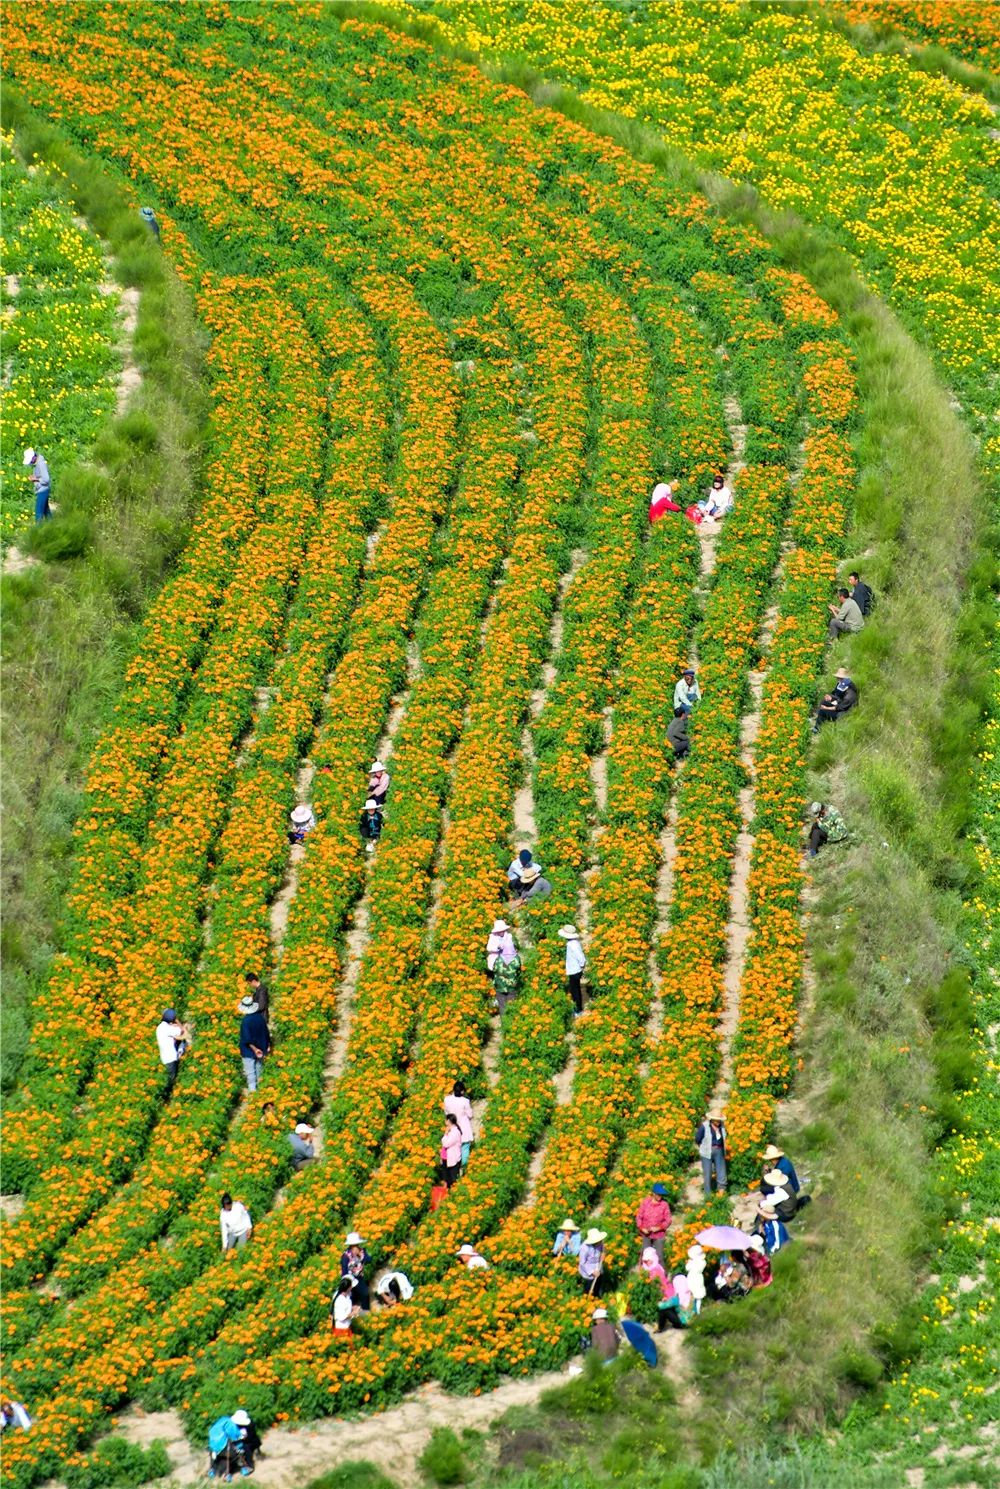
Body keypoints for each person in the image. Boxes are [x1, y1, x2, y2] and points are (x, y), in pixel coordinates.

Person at [486, 919, 521, 1013]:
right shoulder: (493, 937)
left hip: (507, 962)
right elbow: (489, 948)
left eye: (502, 930)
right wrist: (498, 947)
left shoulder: (509, 936)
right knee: (500, 980)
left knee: (504, 989)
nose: (501, 932)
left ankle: (505, 1013)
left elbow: (512, 947)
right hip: (498, 961)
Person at [635, 1182, 673, 1265]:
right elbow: (639, 1217)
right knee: (646, 1255)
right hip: (646, 1234)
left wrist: (659, 1228)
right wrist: (641, 1227)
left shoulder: (664, 1205)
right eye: (658, 1194)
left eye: (661, 1195)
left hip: (659, 1235)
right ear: (653, 1193)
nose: (660, 1196)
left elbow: (668, 1220)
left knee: (659, 1256)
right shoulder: (645, 1203)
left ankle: (660, 1275)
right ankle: (644, 1274)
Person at [238, 995, 270, 1092]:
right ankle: (261, 1090)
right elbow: (266, 1032)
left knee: (250, 1072)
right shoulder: (260, 1018)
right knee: (259, 1069)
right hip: (261, 1047)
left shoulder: (246, 1021)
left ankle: (253, 1093)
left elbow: (247, 1039)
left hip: (249, 1050)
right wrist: (267, 1045)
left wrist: (255, 1049)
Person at [695, 1109, 727, 1197]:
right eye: (716, 1120)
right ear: (712, 1119)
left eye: (719, 1120)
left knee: (721, 1171)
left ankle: (721, 1193)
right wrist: (702, 1146)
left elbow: (724, 1136)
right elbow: (698, 1138)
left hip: (719, 1150)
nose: (718, 1121)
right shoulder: (704, 1126)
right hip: (707, 1151)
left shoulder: (722, 1126)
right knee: (707, 1173)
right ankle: (708, 1195)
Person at [444, 1080, 474, 1167]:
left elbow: (446, 1113)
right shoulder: (465, 1101)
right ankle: (463, 1168)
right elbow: (470, 1114)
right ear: (462, 1091)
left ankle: (455, 1168)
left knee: (453, 1149)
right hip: (464, 1129)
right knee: (464, 1148)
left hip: (452, 1128)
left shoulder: (447, 1099)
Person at [207, 1414, 248, 1479]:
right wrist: (241, 1435)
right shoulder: (230, 1423)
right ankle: (241, 1469)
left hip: (212, 1445)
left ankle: (212, 1471)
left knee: (214, 1455)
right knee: (237, 1452)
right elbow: (235, 1435)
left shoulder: (223, 1420)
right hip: (222, 1446)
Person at [558, 923, 587, 1016]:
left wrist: (582, 965)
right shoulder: (572, 943)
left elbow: (580, 956)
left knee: (575, 991)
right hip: (574, 969)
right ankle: (577, 1009)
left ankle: (578, 1010)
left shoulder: (572, 944)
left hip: (575, 970)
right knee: (575, 989)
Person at [155, 1008, 187, 1090]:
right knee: (173, 1082)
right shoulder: (169, 1028)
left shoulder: (160, 1027)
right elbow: (182, 1030)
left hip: (164, 1058)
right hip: (171, 1058)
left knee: (169, 1079)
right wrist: (177, 1021)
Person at [340, 1232, 371, 1310]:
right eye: (354, 1245)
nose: (357, 1247)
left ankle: (366, 1310)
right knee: (351, 1298)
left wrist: (361, 1256)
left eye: (357, 1245)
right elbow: (344, 1272)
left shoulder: (362, 1251)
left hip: (360, 1278)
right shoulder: (346, 1256)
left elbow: (369, 1260)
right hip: (350, 1279)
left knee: (365, 1294)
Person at [22, 448, 51, 523]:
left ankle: (38, 531)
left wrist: (35, 479)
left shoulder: (40, 464)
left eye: (30, 461)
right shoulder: (38, 463)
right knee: (46, 510)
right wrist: (35, 478)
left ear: (34, 457)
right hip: (44, 489)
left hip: (43, 490)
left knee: (38, 512)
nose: (30, 463)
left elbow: (46, 479)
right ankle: (53, 526)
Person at [578, 1228, 607, 1296]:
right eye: (598, 1241)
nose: (601, 1242)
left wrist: (603, 1253)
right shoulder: (584, 1248)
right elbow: (582, 1263)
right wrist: (592, 1272)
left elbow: (603, 1249)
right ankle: (588, 1300)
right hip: (588, 1271)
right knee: (589, 1288)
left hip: (598, 1267)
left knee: (598, 1286)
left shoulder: (600, 1243)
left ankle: (598, 1298)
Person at [440, 1112, 463, 1188]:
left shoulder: (455, 1132)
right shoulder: (451, 1131)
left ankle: (454, 1193)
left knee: (453, 1179)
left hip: (453, 1158)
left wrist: (445, 1134)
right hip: (447, 1157)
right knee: (448, 1178)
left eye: (446, 1120)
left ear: (449, 1121)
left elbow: (446, 1144)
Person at [685, 1244, 707, 1314]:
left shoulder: (692, 1262)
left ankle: (692, 1309)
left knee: (692, 1293)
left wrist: (689, 1262)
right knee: (698, 1295)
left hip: (692, 1278)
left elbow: (687, 1268)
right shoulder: (703, 1262)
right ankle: (698, 1310)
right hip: (699, 1278)